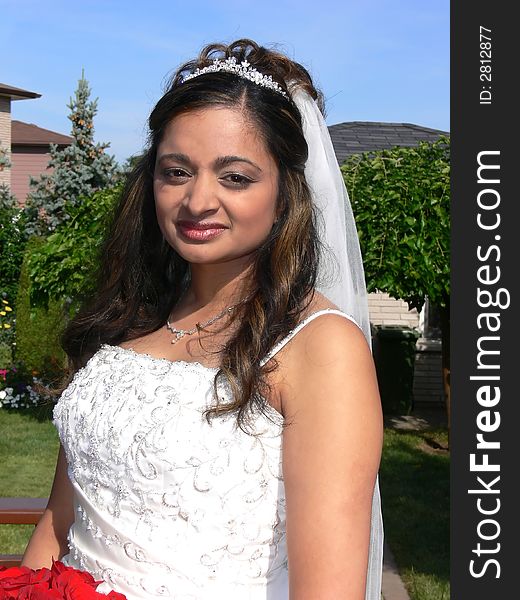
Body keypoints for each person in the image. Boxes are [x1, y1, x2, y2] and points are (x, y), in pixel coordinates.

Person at [22, 39, 384, 599]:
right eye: (176, 171)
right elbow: (58, 519)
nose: (198, 200)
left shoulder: (320, 346)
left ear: (285, 191)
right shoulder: (125, 318)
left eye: (235, 176)